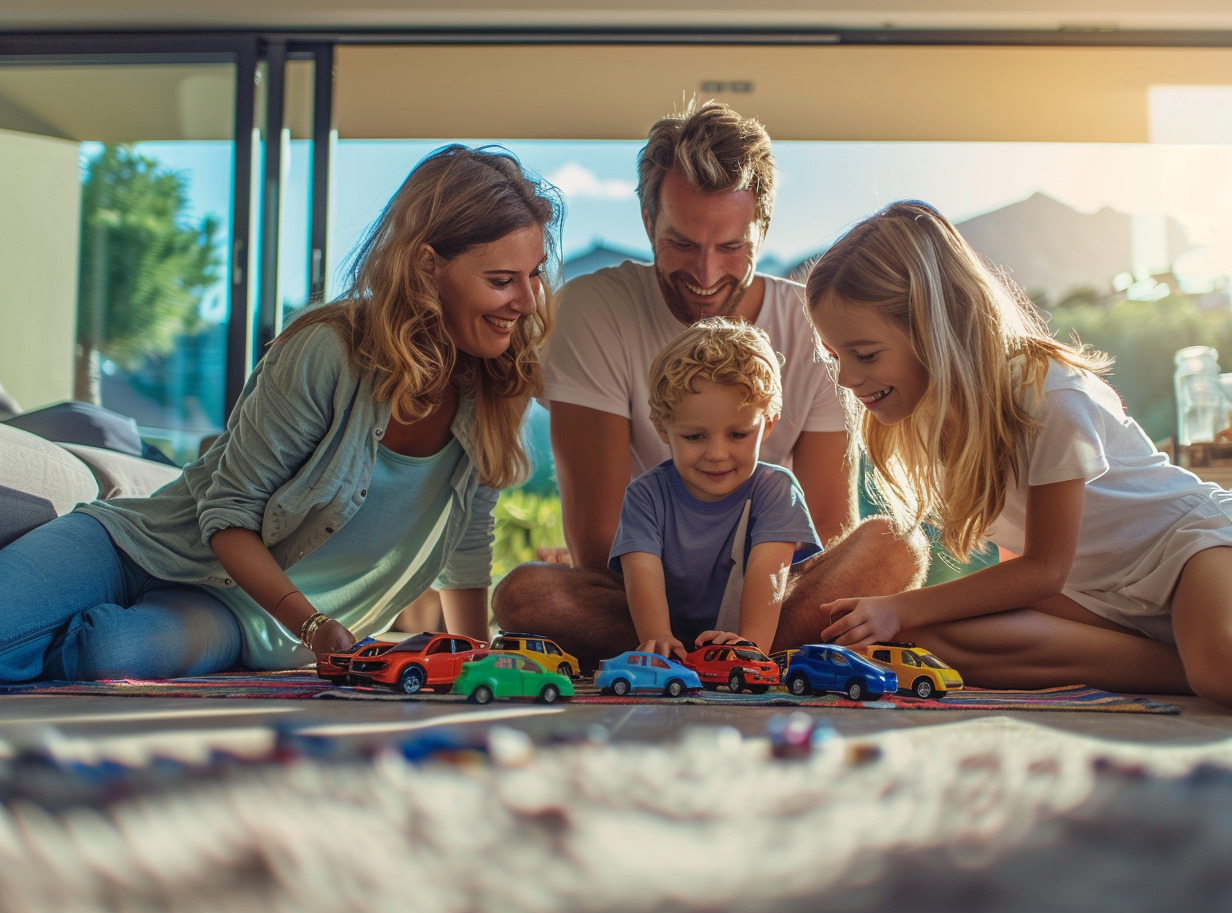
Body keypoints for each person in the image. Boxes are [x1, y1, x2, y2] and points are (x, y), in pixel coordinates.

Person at [0, 144, 562, 683]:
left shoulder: (498, 385)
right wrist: (314, 625)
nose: (529, 299)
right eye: (501, 280)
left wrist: (474, 660)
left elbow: (464, 545)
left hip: (250, 621)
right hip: (145, 546)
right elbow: (228, 515)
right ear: (426, 268)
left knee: (109, 651)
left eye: (534, 273)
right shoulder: (329, 350)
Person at [494, 100, 927, 670]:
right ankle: (719, 658)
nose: (706, 274)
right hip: (642, 596)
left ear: (763, 229)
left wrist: (753, 609)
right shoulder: (595, 309)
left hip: (775, 592)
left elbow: (826, 527)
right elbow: (601, 542)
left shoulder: (811, 322)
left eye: (731, 247)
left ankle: (738, 652)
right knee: (525, 595)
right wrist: (665, 615)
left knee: (895, 545)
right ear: (648, 222)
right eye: (681, 243)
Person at [805, 198, 1232, 703]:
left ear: (933, 327)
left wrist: (902, 604)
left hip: (1186, 551)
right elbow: (1021, 561)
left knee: (1220, 670)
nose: (849, 379)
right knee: (923, 638)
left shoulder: (1048, 394)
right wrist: (903, 613)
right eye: (836, 358)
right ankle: (1173, 660)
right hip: (1093, 598)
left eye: (866, 354)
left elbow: (1044, 568)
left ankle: (1195, 659)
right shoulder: (929, 420)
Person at [613, 318, 821, 660]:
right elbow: (642, 573)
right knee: (532, 593)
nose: (717, 454)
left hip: (762, 630)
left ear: (767, 424)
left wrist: (748, 645)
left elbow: (770, 575)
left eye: (738, 435)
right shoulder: (645, 495)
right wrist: (658, 637)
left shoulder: (776, 489)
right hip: (671, 632)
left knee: (887, 541)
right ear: (663, 429)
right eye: (694, 437)